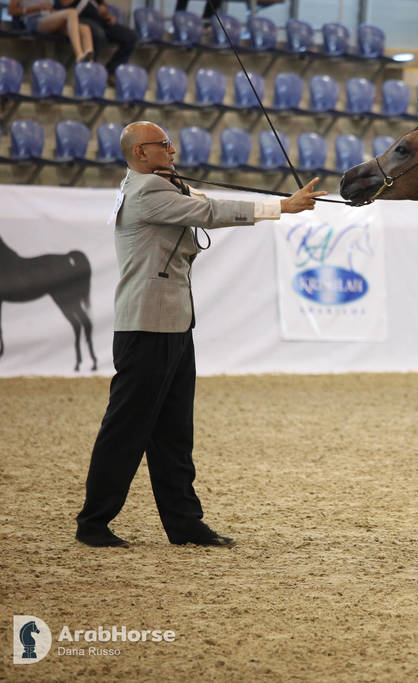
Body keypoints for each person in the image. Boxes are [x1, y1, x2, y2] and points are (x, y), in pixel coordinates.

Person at [75, 121, 326, 548]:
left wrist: (277, 203)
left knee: (174, 431)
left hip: (172, 322)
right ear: (140, 152)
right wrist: (282, 207)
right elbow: (210, 213)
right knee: (126, 428)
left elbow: (201, 202)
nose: (172, 150)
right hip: (148, 326)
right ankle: (93, 523)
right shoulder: (148, 191)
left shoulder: (155, 185)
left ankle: (184, 522)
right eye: (163, 144)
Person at [56, 0, 139, 78]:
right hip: (78, 19)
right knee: (98, 34)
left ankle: (110, 73)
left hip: (98, 20)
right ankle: (89, 74)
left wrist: (106, 14)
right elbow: (64, 3)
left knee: (131, 37)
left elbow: (101, 6)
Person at [10, 0, 94, 62]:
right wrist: (37, 8)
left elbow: (51, 8)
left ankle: (89, 64)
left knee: (85, 28)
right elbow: (11, 10)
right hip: (33, 20)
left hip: (49, 17)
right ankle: (79, 55)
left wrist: (56, 13)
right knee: (72, 12)